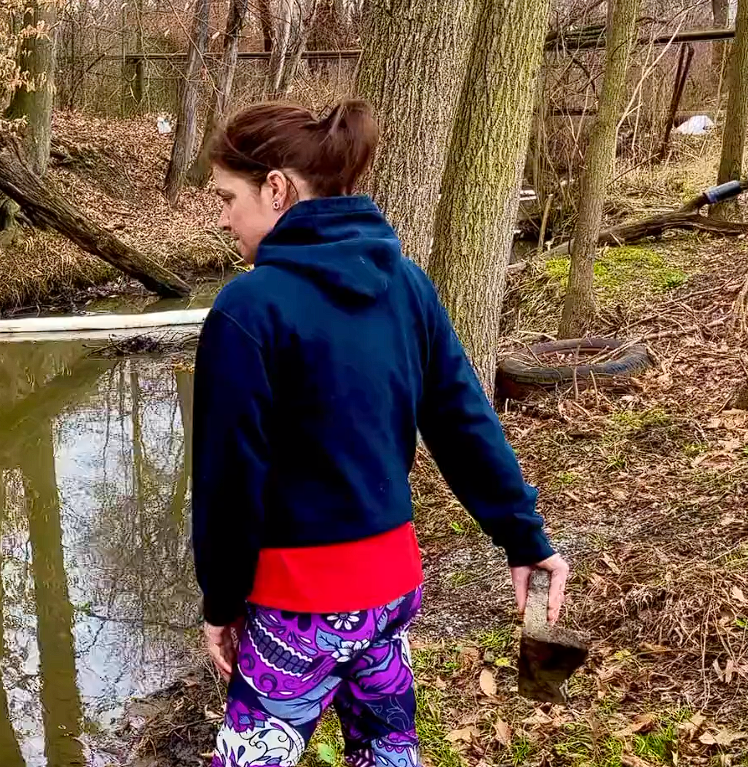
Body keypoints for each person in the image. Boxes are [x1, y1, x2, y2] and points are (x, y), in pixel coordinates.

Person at [191, 100, 571, 767]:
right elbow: (461, 420)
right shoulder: (406, 284)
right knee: (386, 751)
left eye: (228, 197)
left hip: (295, 605)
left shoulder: (247, 308)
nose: (223, 217)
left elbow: (229, 482)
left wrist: (221, 601)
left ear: (276, 189)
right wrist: (523, 535)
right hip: (390, 591)